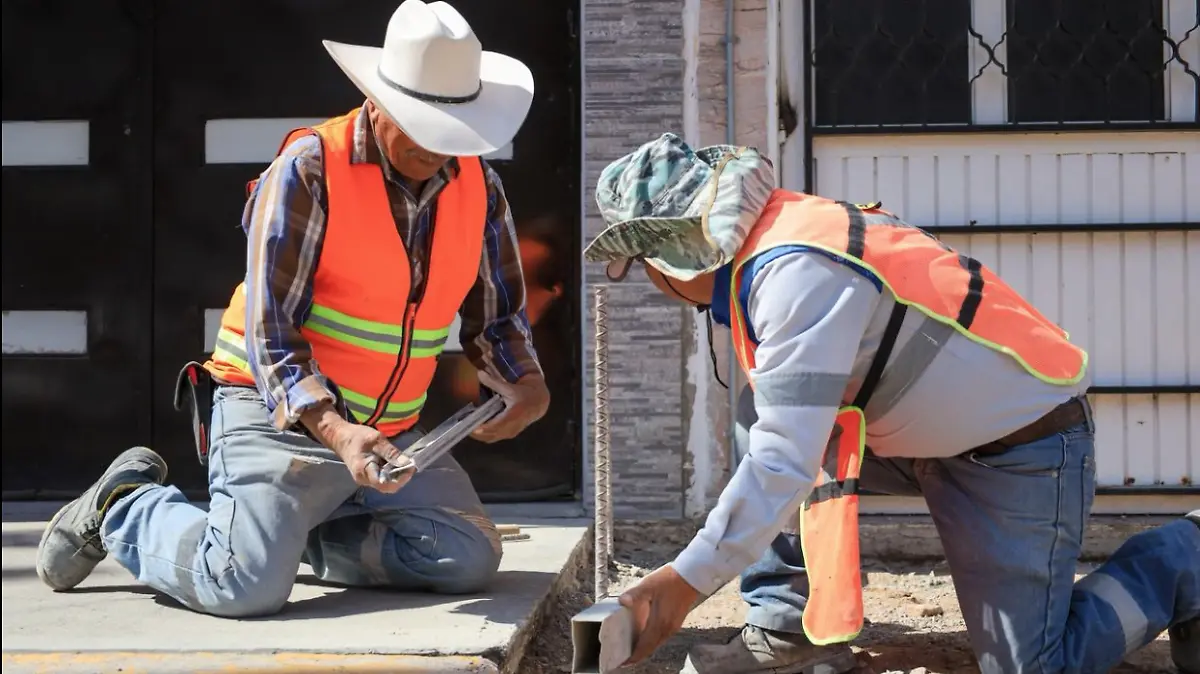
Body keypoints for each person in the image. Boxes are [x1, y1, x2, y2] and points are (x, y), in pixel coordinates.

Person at [582, 133, 1200, 674]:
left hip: (1023, 448)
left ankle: (1183, 557)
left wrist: (682, 584)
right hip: (925, 439)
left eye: (638, 267)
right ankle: (788, 627)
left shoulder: (795, 270)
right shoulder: (774, 240)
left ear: (665, 257)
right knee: (761, 411)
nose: (650, 284)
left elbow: (783, 462)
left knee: (1036, 665)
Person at [35, 0, 550, 618]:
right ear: (378, 101)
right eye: (424, 126)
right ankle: (125, 505)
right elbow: (271, 331)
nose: (440, 148)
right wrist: (337, 431)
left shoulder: (479, 187)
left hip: (387, 436)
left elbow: (499, 318)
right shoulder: (309, 170)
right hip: (276, 414)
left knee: (466, 558)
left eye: (453, 130)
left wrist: (527, 383)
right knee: (242, 586)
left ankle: (293, 534)